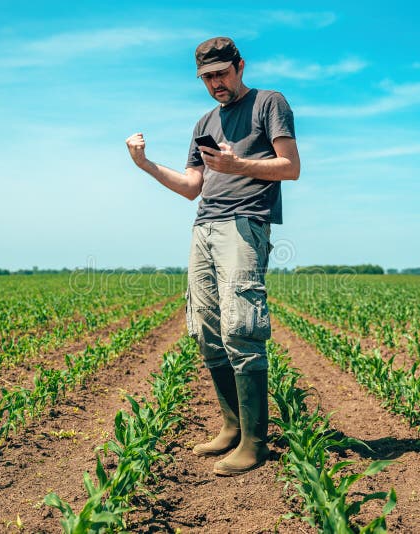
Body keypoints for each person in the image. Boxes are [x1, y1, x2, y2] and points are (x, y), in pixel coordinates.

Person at [125, 36, 300, 476]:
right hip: (203, 226)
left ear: (240, 66)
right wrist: (145, 165)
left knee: (241, 327)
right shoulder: (205, 121)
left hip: (244, 224)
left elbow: (291, 167)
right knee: (205, 329)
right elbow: (191, 186)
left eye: (222, 73)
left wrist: (239, 165)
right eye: (207, 77)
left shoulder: (269, 103)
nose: (215, 83)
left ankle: (254, 442)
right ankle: (232, 427)